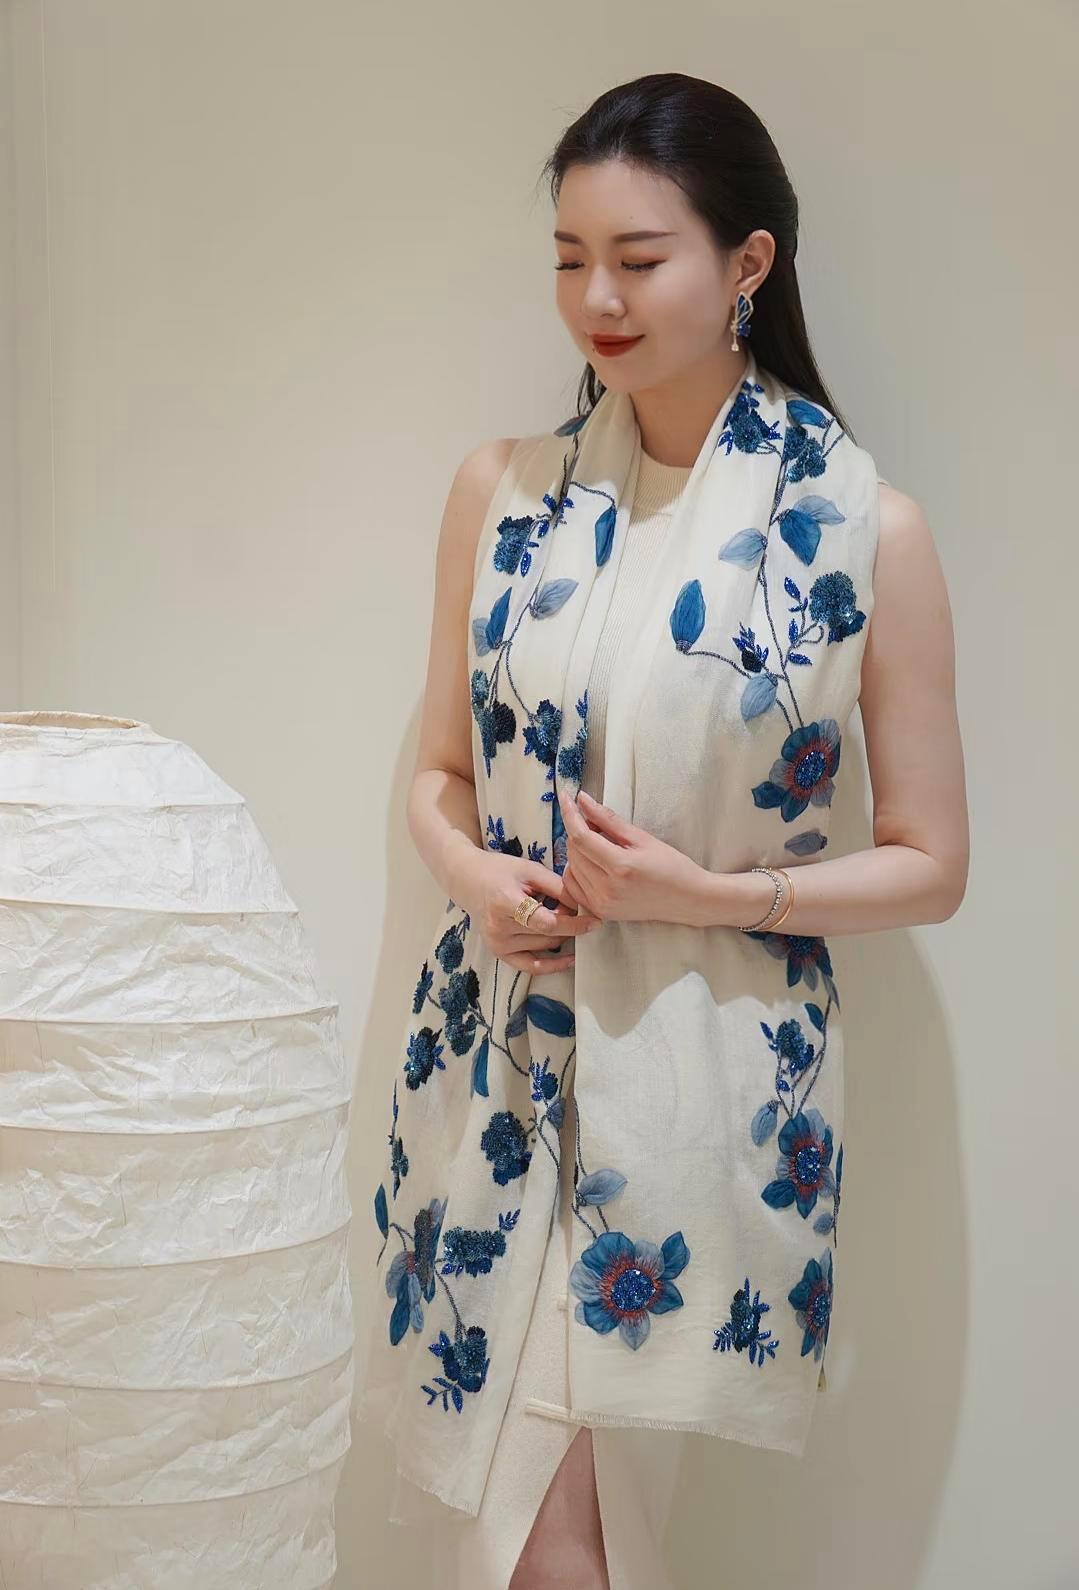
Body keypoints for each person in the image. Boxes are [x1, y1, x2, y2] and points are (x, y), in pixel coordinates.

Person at [358, 73, 969, 1589]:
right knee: (541, 1545)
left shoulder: (862, 531)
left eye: (638, 258)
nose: (596, 300)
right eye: (570, 257)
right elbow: (435, 772)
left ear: (748, 262)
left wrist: (709, 891)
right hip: (495, 1076)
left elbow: (932, 863)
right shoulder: (503, 496)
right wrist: (477, 878)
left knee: (567, 1545)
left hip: (697, 1093)